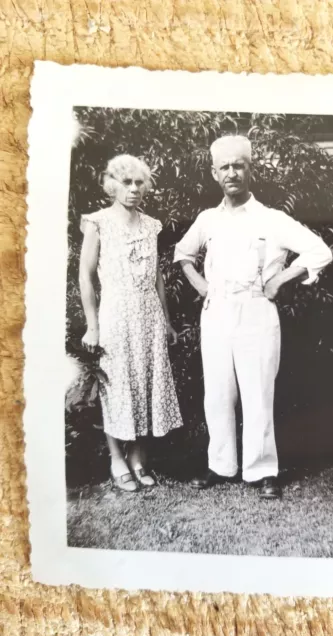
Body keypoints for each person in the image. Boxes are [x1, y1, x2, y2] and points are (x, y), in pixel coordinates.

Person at [174, 135, 333, 499]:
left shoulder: (271, 219)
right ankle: (221, 465)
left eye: (238, 165)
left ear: (250, 170)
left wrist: (281, 277)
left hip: (257, 313)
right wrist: (202, 286)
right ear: (215, 174)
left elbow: (319, 251)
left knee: (258, 393)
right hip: (216, 314)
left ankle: (262, 470)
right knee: (217, 394)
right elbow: (182, 254)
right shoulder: (208, 219)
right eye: (224, 167)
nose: (232, 172)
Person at [79, 154, 182, 492]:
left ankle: (138, 457)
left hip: (149, 317)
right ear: (113, 185)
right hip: (115, 316)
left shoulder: (151, 225)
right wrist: (92, 325)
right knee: (118, 387)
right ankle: (116, 459)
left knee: (146, 384)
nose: (134, 189)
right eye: (127, 183)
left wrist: (166, 321)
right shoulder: (97, 223)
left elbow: (157, 277)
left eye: (140, 183)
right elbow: (85, 275)